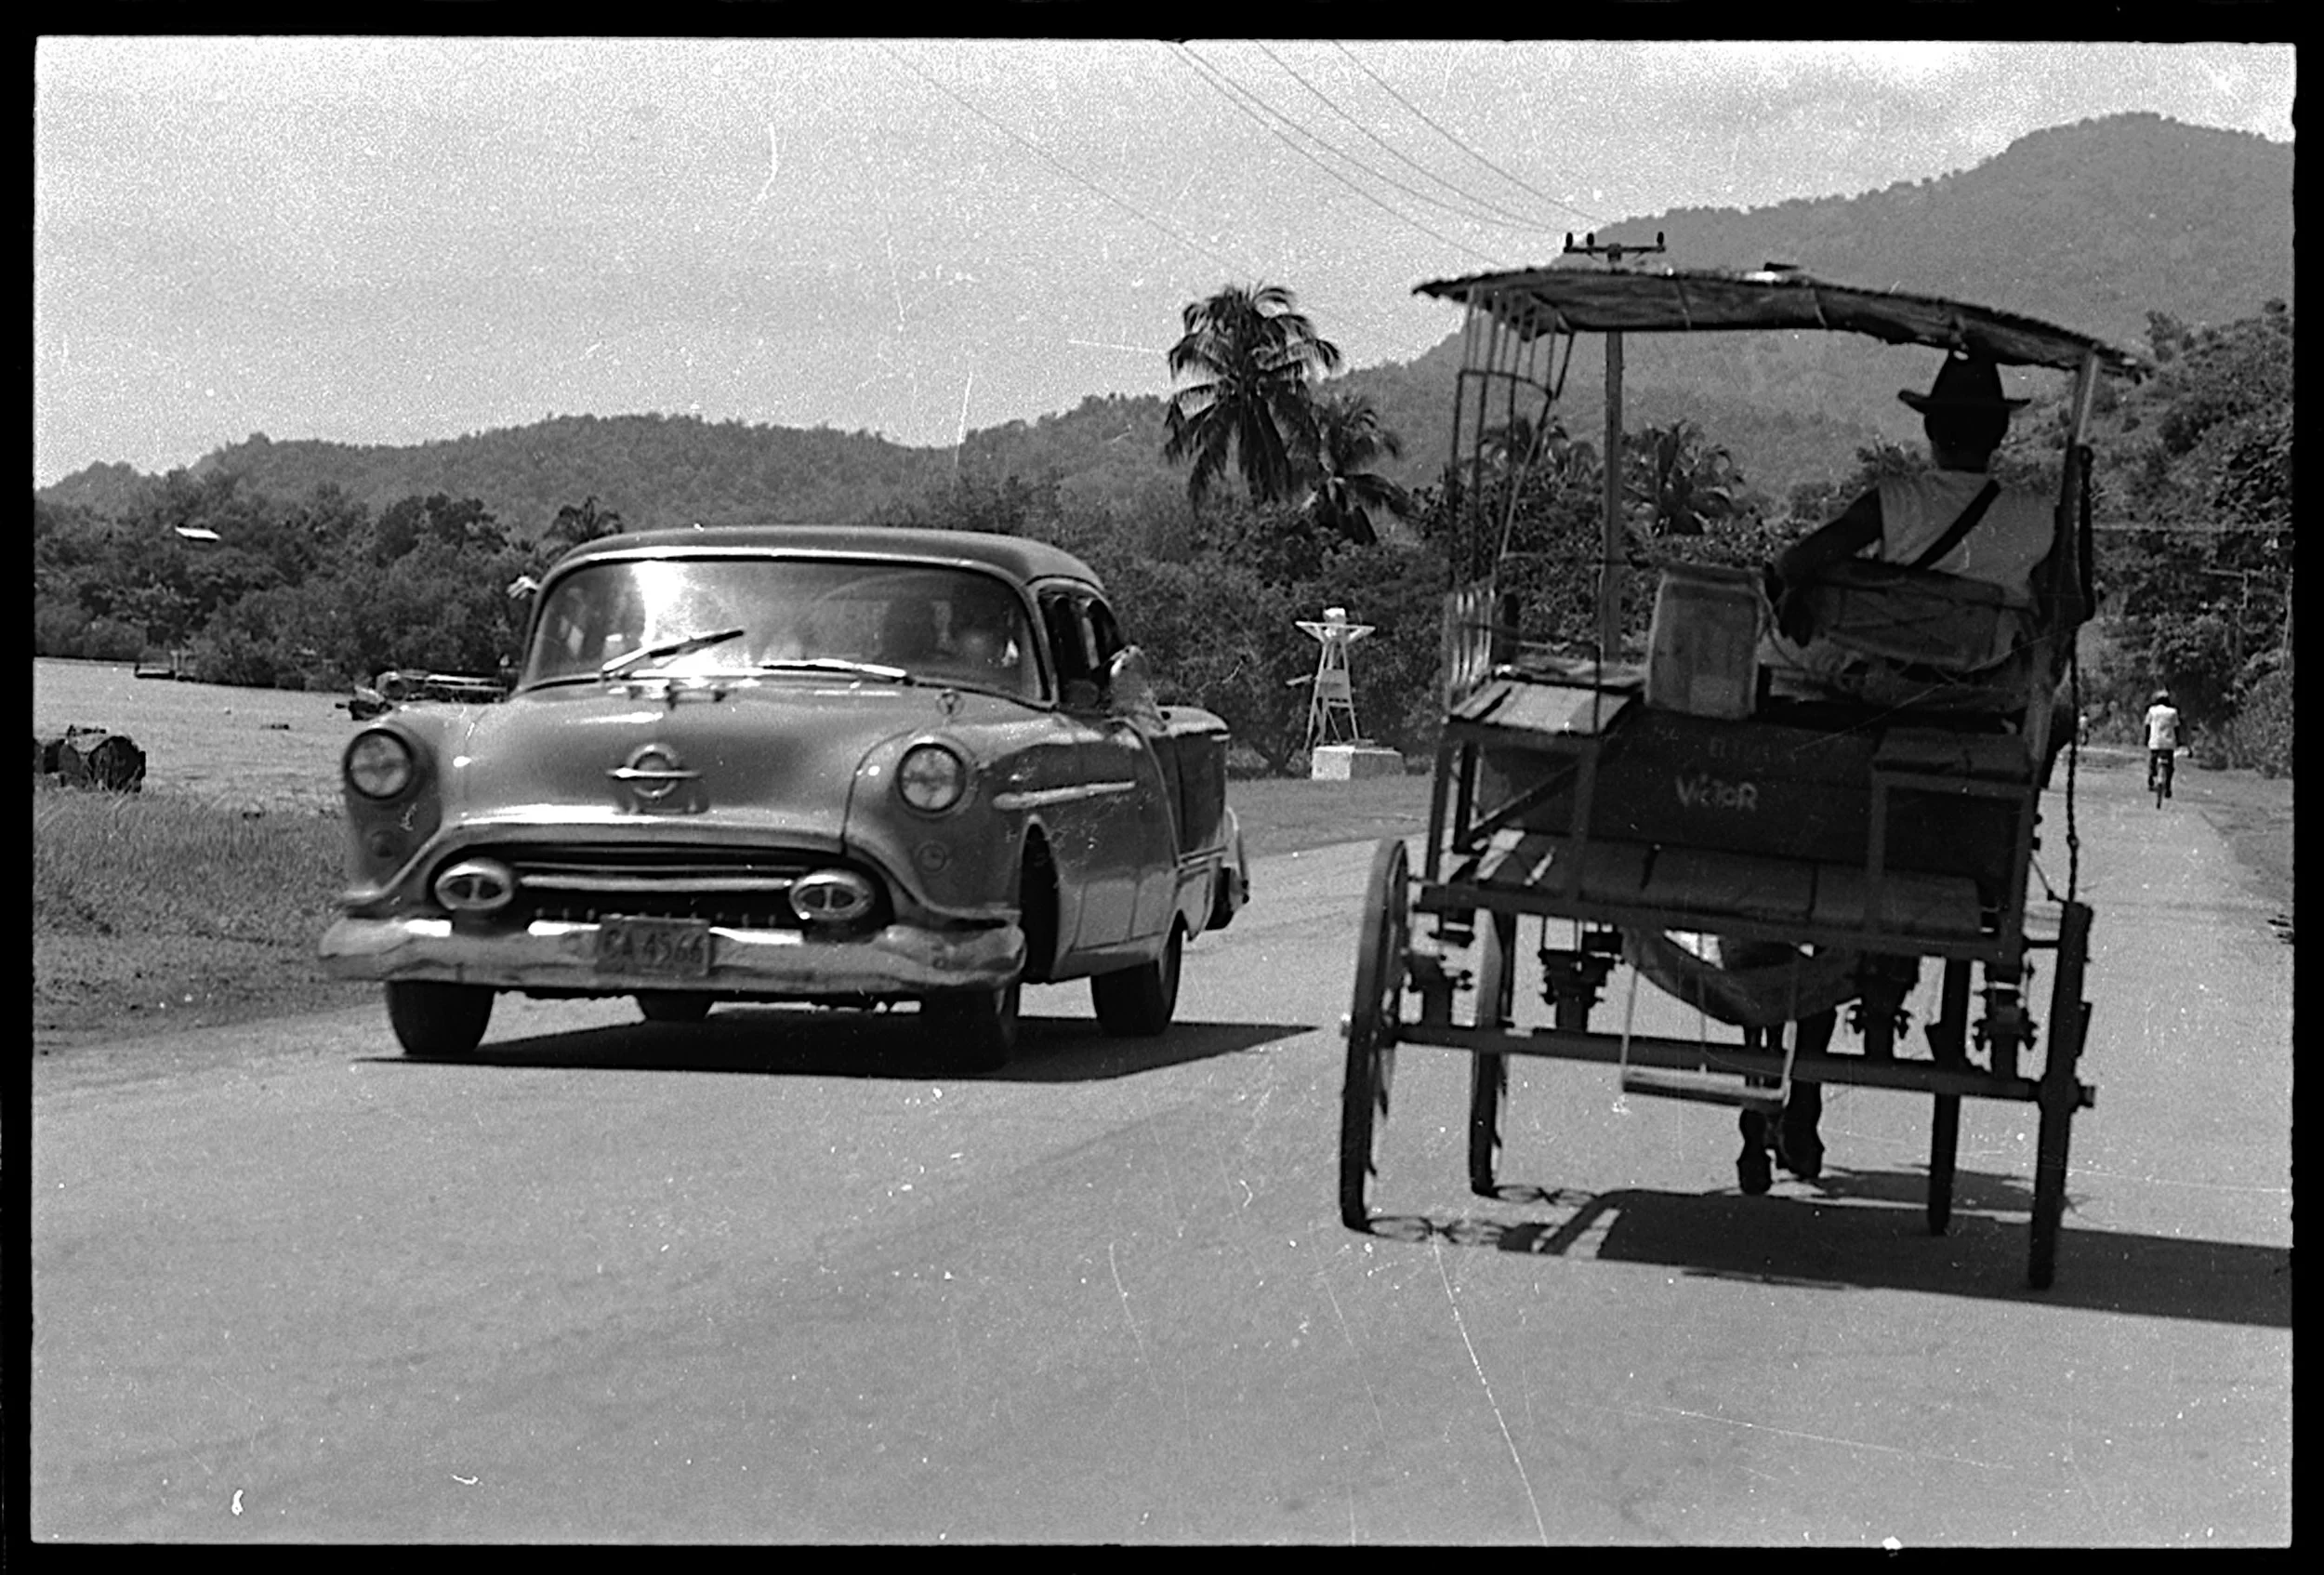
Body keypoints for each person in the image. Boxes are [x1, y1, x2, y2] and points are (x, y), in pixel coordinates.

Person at [1763, 351, 2059, 697]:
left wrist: (1796, 590)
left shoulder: (1892, 502)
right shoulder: (2040, 515)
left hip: (1886, 684)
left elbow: (1794, 562)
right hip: (1987, 689)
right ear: (2000, 432)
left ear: (1930, 428)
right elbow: (2059, 608)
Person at [2145, 687, 2182, 796]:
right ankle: (2168, 786)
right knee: (2170, 766)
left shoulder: (2152, 711)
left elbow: (2147, 725)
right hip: (2169, 743)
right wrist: (2178, 741)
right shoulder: (2173, 712)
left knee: (2153, 760)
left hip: (2155, 741)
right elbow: (2176, 727)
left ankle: (2151, 777)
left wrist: (2146, 738)